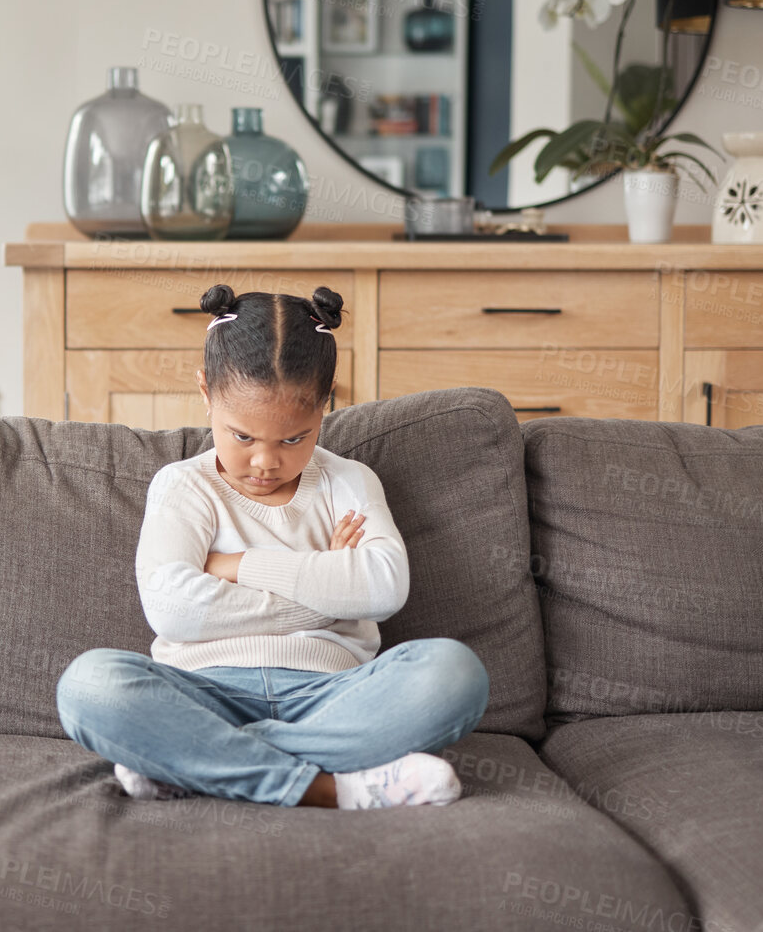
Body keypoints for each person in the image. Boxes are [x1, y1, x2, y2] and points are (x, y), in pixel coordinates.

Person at [56, 284, 489, 809]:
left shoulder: (348, 481)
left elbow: (383, 587)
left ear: (326, 406)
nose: (265, 462)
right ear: (206, 393)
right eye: (242, 437)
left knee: (454, 674)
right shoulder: (183, 486)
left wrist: (236, 566)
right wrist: (328, 587)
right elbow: (172, 609)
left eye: (293, 439)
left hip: (330, 696)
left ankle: (197, 765)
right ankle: (332, 788)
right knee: (90, 685)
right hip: (205, 696)